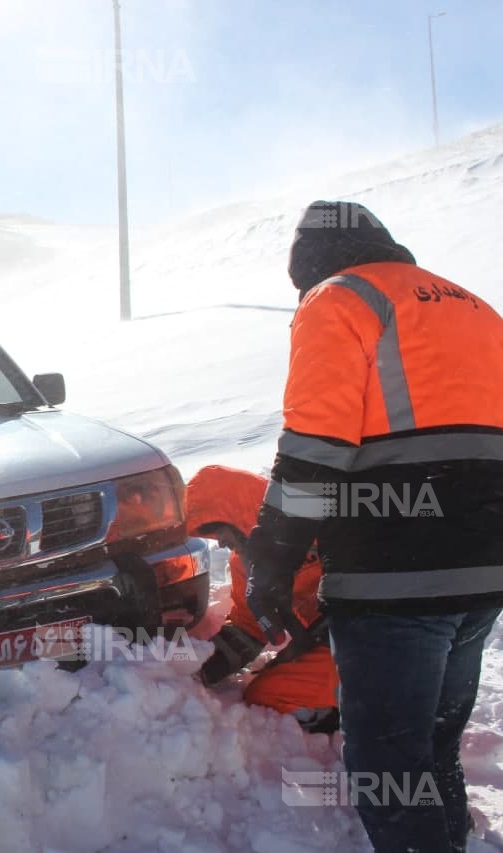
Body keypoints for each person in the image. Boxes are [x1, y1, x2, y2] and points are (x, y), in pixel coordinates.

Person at [244, 200, 503, 853]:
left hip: (395, 577)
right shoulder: (474, 307)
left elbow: (313, 450)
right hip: (485, 572)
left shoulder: (338, 299)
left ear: (309, 265)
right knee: (434, 742)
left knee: (388, 763)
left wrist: (273, 560)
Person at [185, 465, 339, 732]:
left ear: (235, 513)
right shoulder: (245, 565)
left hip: (376, 629)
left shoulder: (312, 513)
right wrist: (204, 667)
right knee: (265, 693)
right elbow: (250, 624)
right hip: (329, 643)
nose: (219, 542)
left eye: (218, 529)